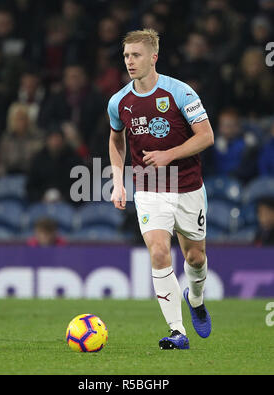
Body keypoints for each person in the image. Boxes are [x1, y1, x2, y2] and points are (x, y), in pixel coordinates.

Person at [108, 29, 214, 350]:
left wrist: (170, 154)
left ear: (153, 57)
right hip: (151, 187)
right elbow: (116, 140)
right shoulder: (119, 102)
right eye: (126, 55)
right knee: (158, 251)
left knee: (195, 258)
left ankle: (195, 299)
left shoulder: (180, 93)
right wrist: (117, 182)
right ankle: (177, 331)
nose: (130, 61)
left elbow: (206, 136)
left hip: (188, 186)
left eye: (136, 55)